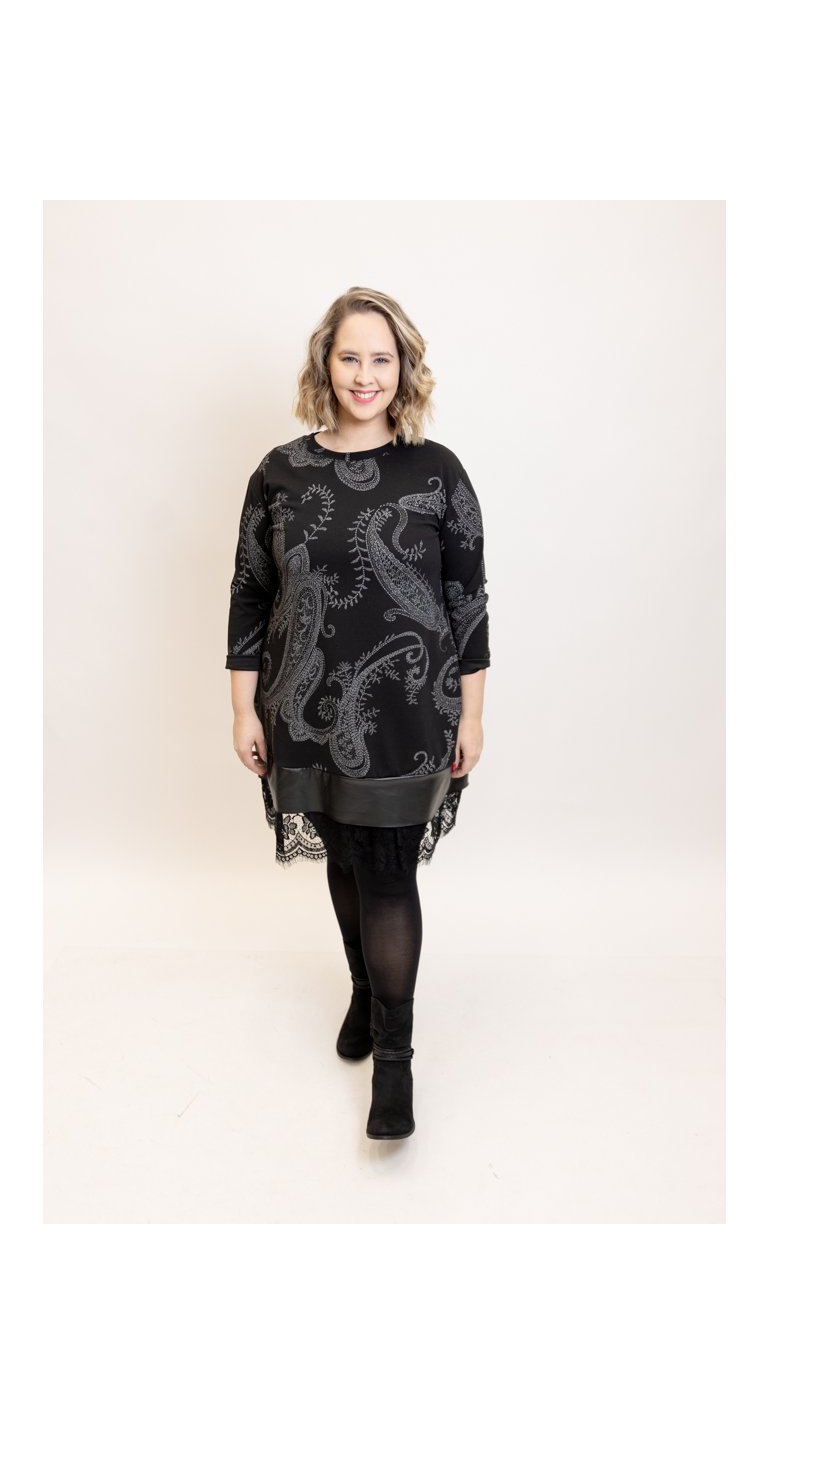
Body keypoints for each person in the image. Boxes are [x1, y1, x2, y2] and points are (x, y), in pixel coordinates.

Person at [225, 287, 490, 1141]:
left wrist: (472, 717)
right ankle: (362, 990)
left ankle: (395, 1060)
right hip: (303, 708)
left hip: (410, 712)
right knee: (344, 857)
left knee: (387, 871)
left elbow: (468, 601)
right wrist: (243, 709)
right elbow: (250, 594)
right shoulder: (279, 472)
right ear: (325, 365)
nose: (365, 375)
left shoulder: (437, 471)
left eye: (382, 358)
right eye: (350, 357)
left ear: (403, 369)